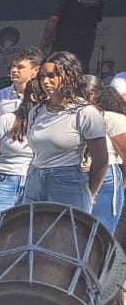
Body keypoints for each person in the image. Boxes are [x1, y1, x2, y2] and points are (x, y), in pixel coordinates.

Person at [20, 51, 107, 210]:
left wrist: (90, 193)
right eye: (42, 77)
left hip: (67, 182)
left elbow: (101, 160)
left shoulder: (85, 112)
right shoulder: (37, 111)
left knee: (66, 233)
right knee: (32, 232)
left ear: (70, 75)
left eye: (52, 76)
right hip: (34, 178)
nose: (45, 81)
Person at [0, 48, 40, 222]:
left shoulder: (44, 99)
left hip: (33, 173)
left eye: (21, 67)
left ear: (35, 70)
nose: (14, 70)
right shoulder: (0, 97)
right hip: (4, 171)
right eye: (13, 66)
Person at [88, 80, 126, 233]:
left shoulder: (112, 118)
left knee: (99, 233)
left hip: (107, 178)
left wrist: (121, 186)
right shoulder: (75, 117)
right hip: (76, 176)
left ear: (91, 95)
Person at [44, 0, 103, 67]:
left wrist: (47, 39)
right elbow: (97, 19)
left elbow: (54, 19)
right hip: (86, 42)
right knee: (80, 69)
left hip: (65, 41)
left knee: (58, 67)